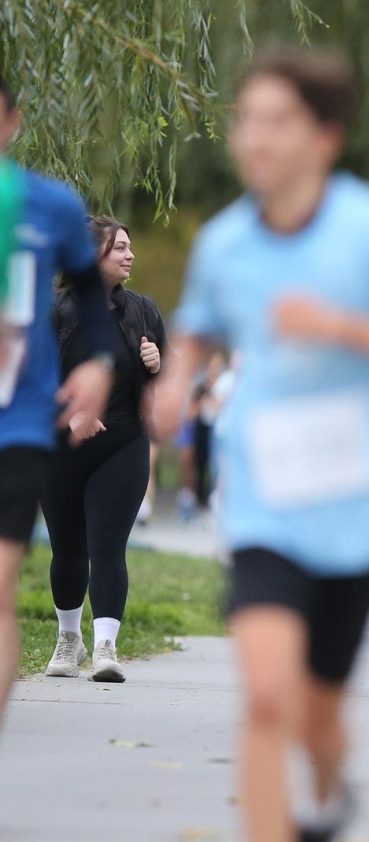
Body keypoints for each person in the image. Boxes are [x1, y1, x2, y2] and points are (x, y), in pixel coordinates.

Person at [148, 46, 369, 841]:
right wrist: (173, 380)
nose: (254, 139)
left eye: (276, 122)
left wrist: (342, 326)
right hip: (266, 500)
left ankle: (325, 784)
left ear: (325, 136)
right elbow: (200, 325)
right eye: (246, 121)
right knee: (263, 695)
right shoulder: (227, 240)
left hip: (357, 508)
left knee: (320, 711)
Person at [0, 73, 113, 727]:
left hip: (16, 420)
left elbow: (93, 295)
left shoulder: (51, 206)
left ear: (12, 123)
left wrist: (98, 363)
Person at [41, 216, 166, 682]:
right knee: (67, 549)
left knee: (109, 545)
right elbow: (32, 376)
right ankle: (68, 639)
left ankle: (106, 647)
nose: (130, 255)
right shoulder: (54, 309)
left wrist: (156, 364)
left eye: (130, 247)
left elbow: (165, 381)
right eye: (120, 248)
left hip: (123, 442)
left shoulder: (142, 310)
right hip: (61, 444)